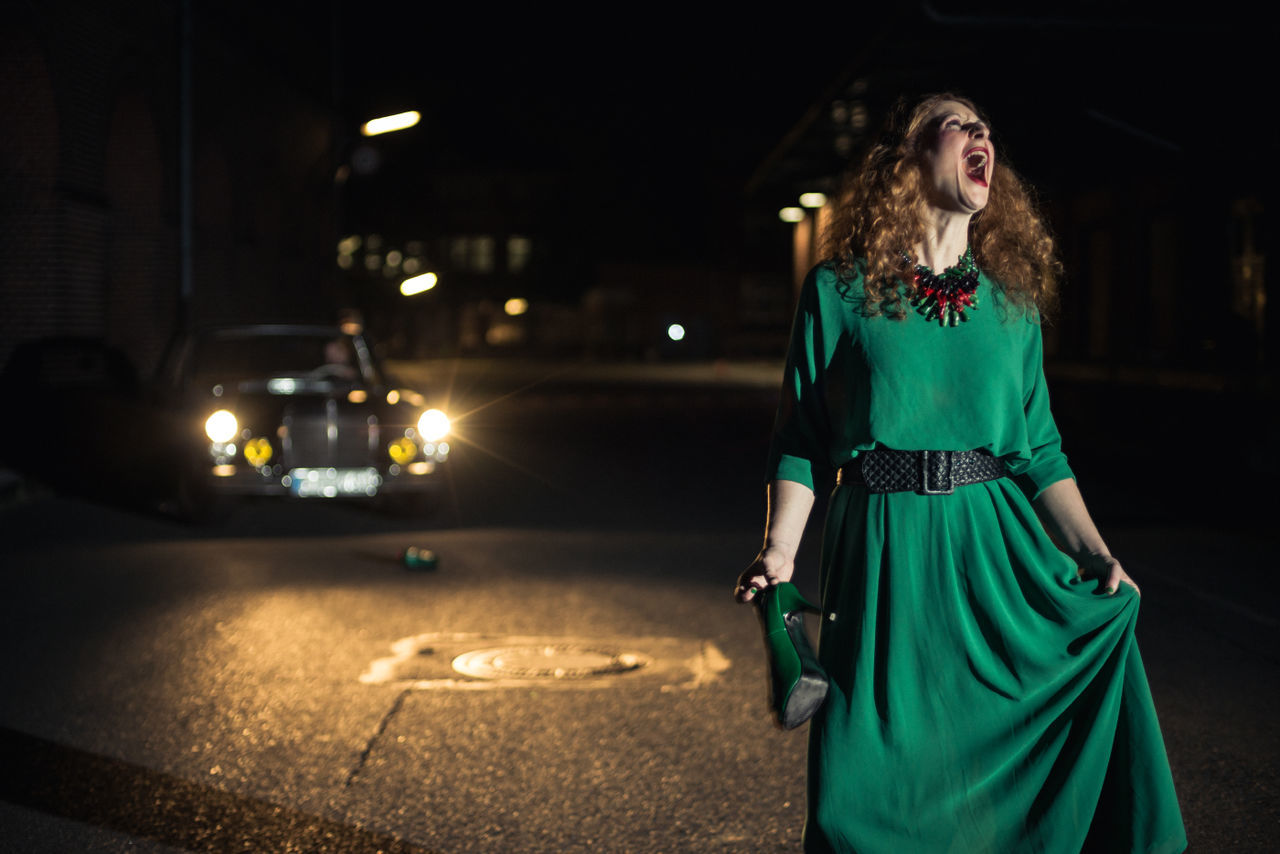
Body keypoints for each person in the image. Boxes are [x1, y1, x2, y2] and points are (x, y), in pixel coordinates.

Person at [735, 93, 1187, 853]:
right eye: (957, 122)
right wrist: (779, 551)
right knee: (864, 788)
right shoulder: (839, 292)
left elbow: (1039, 450)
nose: (982, 134)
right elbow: (803, 439)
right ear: (909, 159)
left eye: (987, 128)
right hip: (884, 556)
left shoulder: (1012, 307)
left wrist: (1095, 552)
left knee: (1005, 777)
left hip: (993, 555)